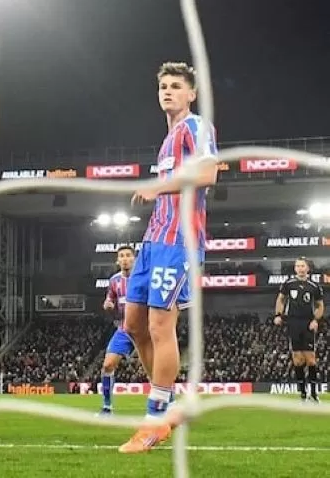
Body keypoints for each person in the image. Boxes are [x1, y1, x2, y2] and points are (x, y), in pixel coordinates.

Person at [119, 61, 218, 454]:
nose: (168, 91)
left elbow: (209, 174)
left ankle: (154, 419)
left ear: (191, 93)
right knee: (132, 325)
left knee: (161, 326)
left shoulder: (196, 127)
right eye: (163, 85)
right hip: (153, 240)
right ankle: (168, 405)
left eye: (176, 86)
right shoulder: (166, 139)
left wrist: (158, 186)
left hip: (181, 240)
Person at [274, 257, 323, 402]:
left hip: (307, 323)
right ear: (295, 268)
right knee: (297, 360)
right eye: (298, 266)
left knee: (311, 359)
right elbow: (281, 299)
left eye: (303, 266)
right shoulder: (288, 284)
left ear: (308, 268)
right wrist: (278, 315)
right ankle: (303, 393)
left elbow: (320, 305)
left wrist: (315, 320)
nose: (300, 268)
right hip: (293, 322)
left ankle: (314, 394)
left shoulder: (314, 286)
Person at [97, 245, 136, 414]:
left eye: (128, 255)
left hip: (145, 330)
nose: (125, 258)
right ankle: (107, 407)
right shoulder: (114, 281)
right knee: (107, 365)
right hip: (124, 329)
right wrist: (108, 304)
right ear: (117, 260)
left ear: (134, 259)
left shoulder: (144, 278)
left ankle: (168, 405)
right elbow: (110, 299)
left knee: (157, 369)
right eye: (122, 256)